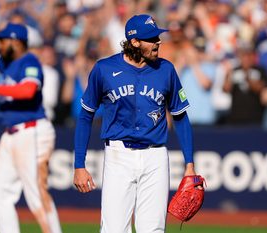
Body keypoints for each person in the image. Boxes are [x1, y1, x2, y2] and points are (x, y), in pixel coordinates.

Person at [73, 14, 198, 233]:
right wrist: (79, 165)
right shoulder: (104, 69)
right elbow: (85, 116)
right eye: (151, 38)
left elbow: (180, 116)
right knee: (113, 230)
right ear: (134, 42)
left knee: (153, 230)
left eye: (157, 37)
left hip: (155, 156)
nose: (158, 42)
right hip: (118, 155)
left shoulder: (166, 70)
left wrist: (189, 164)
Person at [0, 23, 62, 233]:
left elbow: (28, 90)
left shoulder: (29, 61)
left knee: (37, 195)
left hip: (32, 130)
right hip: (11, 133)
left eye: (3, 40)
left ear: (15, 42)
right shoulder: (6, 64)